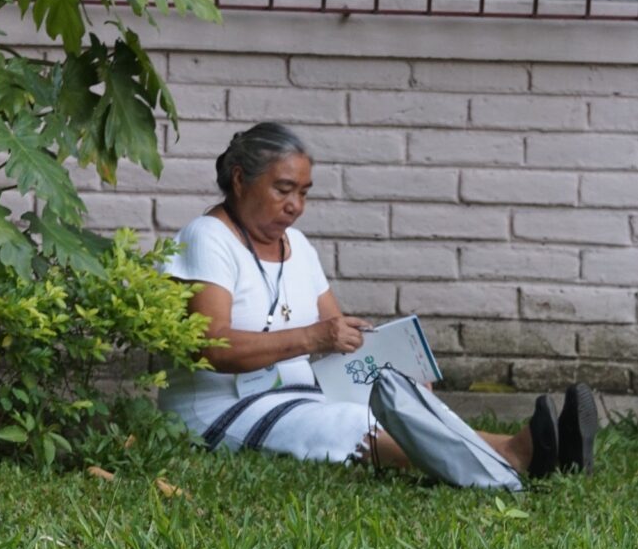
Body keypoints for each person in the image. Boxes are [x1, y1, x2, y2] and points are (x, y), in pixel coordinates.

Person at [159, 122, 597, 477]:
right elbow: (211, 347)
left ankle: (539, 452)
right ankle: (515, 455)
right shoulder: (208, 238)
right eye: (283, 189)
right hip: (220, 408)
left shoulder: (299, 247)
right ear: (240, 180)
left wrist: (397, 370)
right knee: (349, 422)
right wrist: (314, 338)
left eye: (304, 192)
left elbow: (341, 340)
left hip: (299, 394)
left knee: (398, 403)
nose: (296, 206)